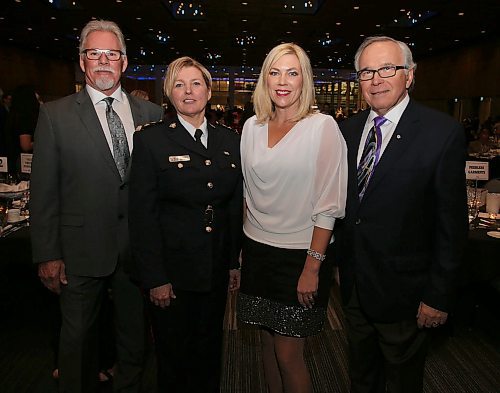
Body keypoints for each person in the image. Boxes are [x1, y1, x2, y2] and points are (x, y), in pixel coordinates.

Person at [29, 19, 163, 393]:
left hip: (136, 252)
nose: (103, 61)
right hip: (78, 251)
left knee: (134, 342)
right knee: (76, 345)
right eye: (94, 53)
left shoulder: (150, 116)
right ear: (82, 60)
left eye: (112, 54)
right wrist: (47, 254)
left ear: (124, 62)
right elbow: (44, 191)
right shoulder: (55, 115)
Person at [335, 36, 467, 393]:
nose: (376, 79)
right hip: (354, 289)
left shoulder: (442, 134)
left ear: (409, 75)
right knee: (361, 378)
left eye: (387, 69)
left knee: (402, 383)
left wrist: (438, 295)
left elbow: (451, 225)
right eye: (366, 71)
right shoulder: (345, 131)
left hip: (407, 296)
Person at [128, 56, 243, 393]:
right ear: (169, 94)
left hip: (215, 267)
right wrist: (155, 277)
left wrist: (233, 260)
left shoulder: (229, 140)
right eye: (179, 84)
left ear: (209, 92)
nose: (188, 91)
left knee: (209, 350)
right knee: (174, 356)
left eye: (196, 84)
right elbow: (142, 215)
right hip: (172, 272)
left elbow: (233, 205)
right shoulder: (152, 140)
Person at [237, 43, 347, 393]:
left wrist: (312, 267)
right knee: (267, 345)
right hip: (257, 251)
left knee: (289, 354)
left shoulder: (322, 127)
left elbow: (329, 205)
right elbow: (247, 192)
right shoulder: (252, 126)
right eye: (275, 72)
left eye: (292, 72)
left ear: (305, 81)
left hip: (300, 257)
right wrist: (243, 250)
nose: (283, 81)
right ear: (264, 79)